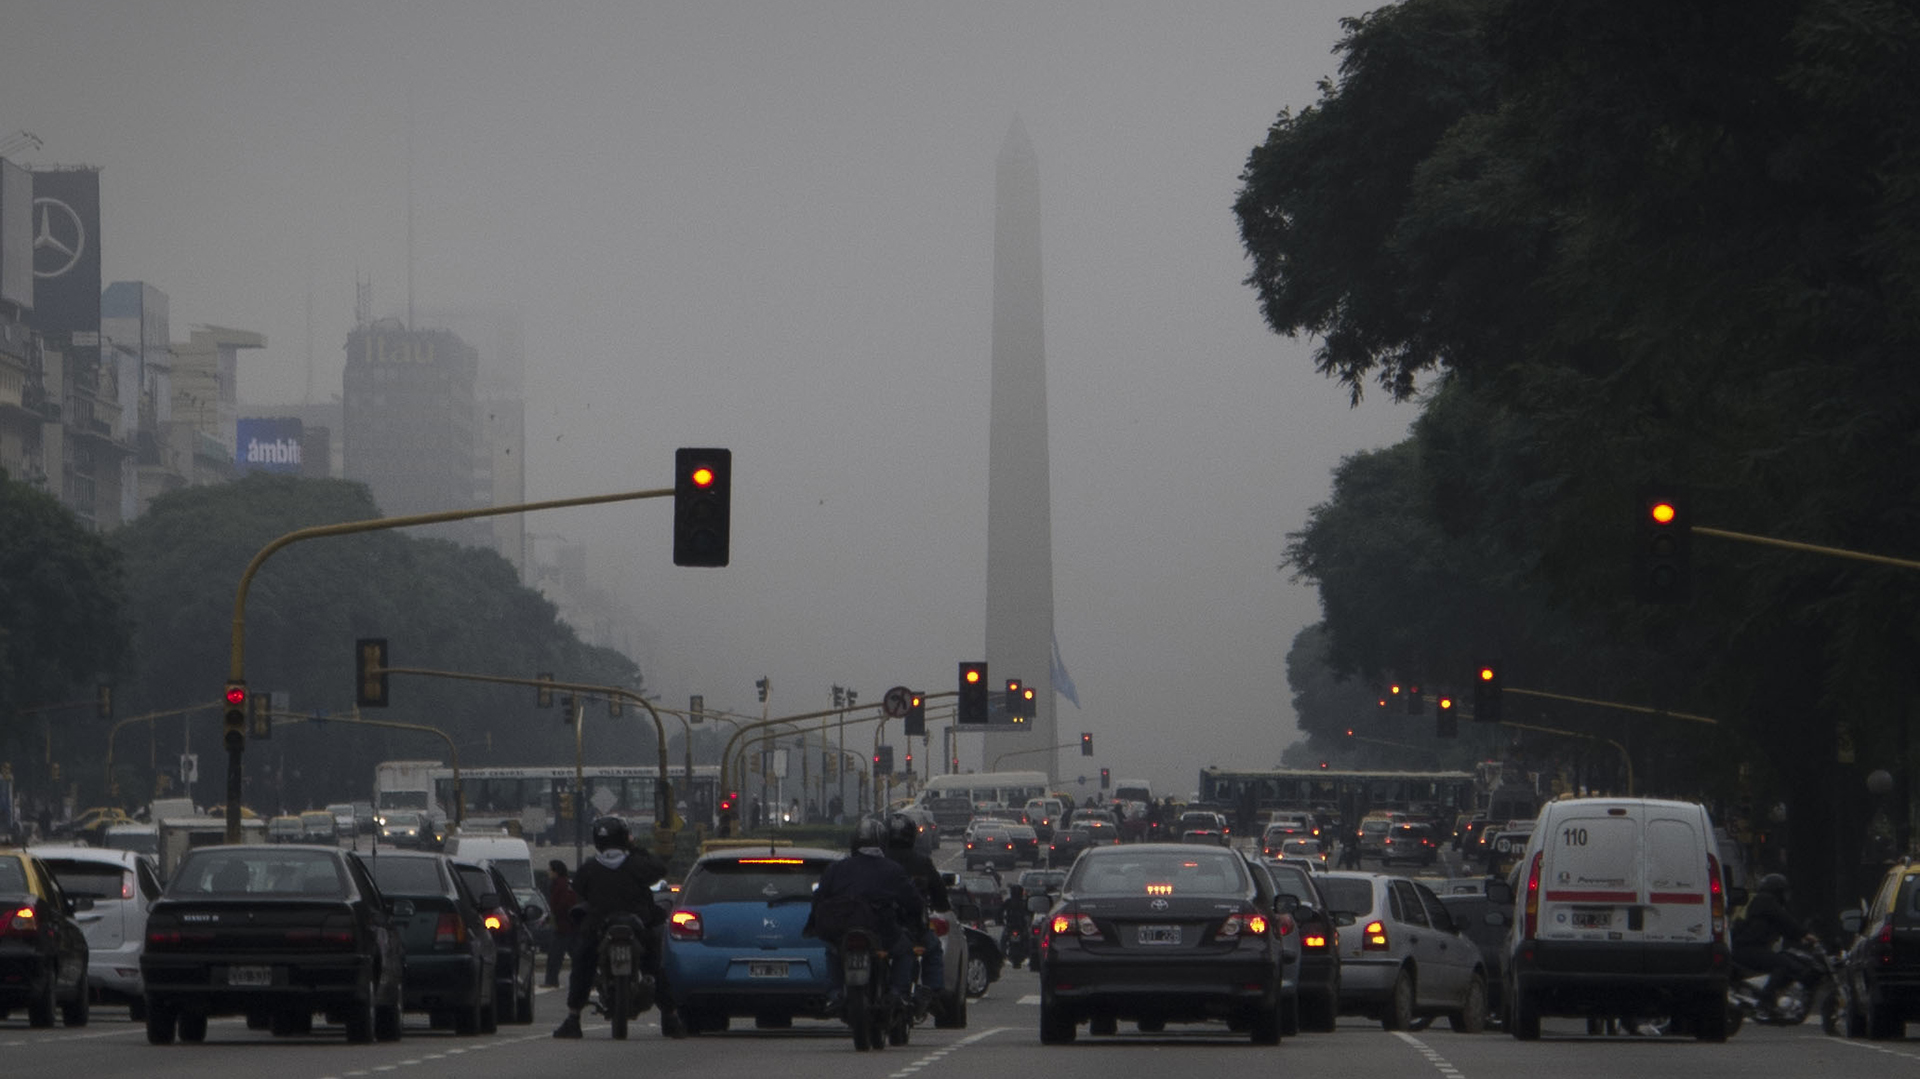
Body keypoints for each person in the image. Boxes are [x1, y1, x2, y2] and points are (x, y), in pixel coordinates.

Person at [552, 817, 682, 1039]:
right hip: (633, 926)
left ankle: (574, 1017)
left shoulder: (590, 868)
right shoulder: (638, 863)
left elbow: (580, 889)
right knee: (654, 966)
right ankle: (670, 1017)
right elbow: (659, 868)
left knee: (583, 964)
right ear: (624, 838)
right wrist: (636, 850)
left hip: (602, 927)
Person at [809, 816, 924, 1015]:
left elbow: (819, 899)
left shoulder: (836, 868)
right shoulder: (893, 869)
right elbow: (913, 902)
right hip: (882, 931)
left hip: (844, 929)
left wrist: (817, 925)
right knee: (905, 951)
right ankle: (898, 993)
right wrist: (916, 924)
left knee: (832, 953)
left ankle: (835, 994)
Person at [883, 812, 950, 1013]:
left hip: (883, 925)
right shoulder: (921, 862)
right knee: (933, 948)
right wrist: (942, 904)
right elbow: (939, 893)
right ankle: (933, 991)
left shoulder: (880, 861)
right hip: (912, 925)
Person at [1731, 872, 1817, 1019]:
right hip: (1748, 949)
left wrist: (1799, 938)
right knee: (1784, 964)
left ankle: (1773, 998)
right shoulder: (1766, 900)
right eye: (1784, 891)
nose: (1786, 896)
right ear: (1777, 890)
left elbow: (1783, 927)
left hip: (1747, 948)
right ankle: (1766, 1000)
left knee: (1786, 959)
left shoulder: (1763, 903)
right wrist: (1804, 934)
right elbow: (1784, 920)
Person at [543, 860, 578, 988]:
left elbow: (563, 905)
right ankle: (591, 979)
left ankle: (551, 980)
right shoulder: (564, 884)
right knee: (576, 955)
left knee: (555, 956)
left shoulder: (560, 885)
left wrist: (556, 915)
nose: (548, 872)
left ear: (555, 871)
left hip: (563, 926)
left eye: (550, 869)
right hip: (568, 926)